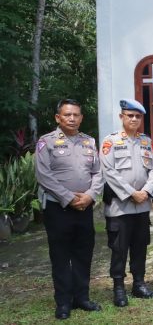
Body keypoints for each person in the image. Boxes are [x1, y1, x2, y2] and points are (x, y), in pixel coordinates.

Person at [35, 99, 104, 320]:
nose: (72, 118)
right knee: (61, 256)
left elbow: (98, 173)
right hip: (58, 209)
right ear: (58, 118)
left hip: (85, 207)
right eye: (67, 115)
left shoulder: (89, 142)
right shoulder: (47, 142)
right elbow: (44, 175)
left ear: (81, 117)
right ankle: (63, 302)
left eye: (76, 115)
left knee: (84, 253)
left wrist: (90, 196)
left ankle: (82, 297)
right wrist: (68, 198)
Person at [100, 99, 153, 307]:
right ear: (121, 117)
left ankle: (139, 284)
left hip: (142, 205)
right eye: (130, 115)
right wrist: (131, 193)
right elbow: (109, 171)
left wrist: (145, 191)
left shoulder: (145, 141)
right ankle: (118, 288)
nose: (134, 119)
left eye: (138, 116)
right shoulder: (111, 141)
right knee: (119, 248)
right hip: (120, 206)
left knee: (140, 246)